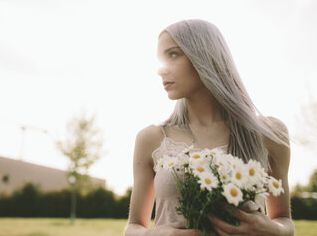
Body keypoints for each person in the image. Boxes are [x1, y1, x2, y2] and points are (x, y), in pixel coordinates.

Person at [124, 19, 294, 236]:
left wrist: (274, 230)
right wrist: (159, 233)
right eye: (161, 59)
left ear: (204, 55)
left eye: (173, 54)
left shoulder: (269, 133)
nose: (160, 70)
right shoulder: (151, 138)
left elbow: (284, 220)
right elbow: (133, 228)